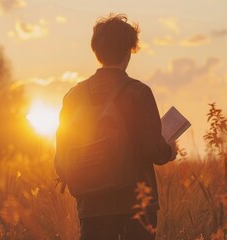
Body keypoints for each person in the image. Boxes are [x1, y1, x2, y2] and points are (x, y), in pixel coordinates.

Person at [55, 13, 177, 240]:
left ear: (96, 50)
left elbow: (61, 158)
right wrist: (170, 149)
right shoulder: (138, 93)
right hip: (136, 206)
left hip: (90, 206)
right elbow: (154, 151)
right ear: (129, 50)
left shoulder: (73, 96)